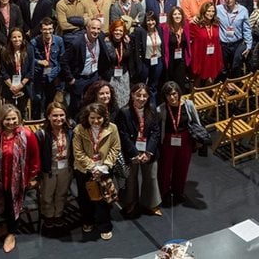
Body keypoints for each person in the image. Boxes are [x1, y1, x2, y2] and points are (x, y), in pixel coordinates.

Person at [0, 104, 40, 253]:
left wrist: (33, 175)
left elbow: (34, 157)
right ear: (1, 119)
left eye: (14, 119)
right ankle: (6, 224)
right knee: (0, 202)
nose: (11, 122)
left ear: (19, 118)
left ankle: (11, 232)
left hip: (17, 178)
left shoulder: (26, 134)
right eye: (7, 119)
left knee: (12, 203)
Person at [73, 102, 122, 241]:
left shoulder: (112, 128)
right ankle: (87, 221)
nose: (95, 121)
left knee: (103, 199)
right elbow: (78, 153)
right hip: (84, 170)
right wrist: (92, 167)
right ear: (87, 117)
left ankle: (104, 225)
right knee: (85, 198)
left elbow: (115, 148)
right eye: (92, 118)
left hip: (104, 169)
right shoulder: (79, 129)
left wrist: (105, 166)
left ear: (104, 117)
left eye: (99, 118)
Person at [115, 83, 162, 217]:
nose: (141, 98)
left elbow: (155, 132)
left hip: (148, 150)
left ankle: (150, 204)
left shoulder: (152, 109)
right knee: (131, 179)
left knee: (151, 177)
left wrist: (148, 152)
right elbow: (122, 134)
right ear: (132, 95)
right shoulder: (124, 112)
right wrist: (135, 153)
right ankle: (131, 203)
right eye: (138, 95)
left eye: (145, 96)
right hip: (132, 151)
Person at [158, 81, 204, 205]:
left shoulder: (188, 105)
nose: (172, 97)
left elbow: (196, 122)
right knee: (165, 169)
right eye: (169, 95)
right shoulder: (161, 109)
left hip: (185, 140)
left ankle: (178, 191)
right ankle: (164, 193)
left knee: (182, 167)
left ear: (178, 93)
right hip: (168, 141)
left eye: (174, 94)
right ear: (165, 96)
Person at [36, 101, 73, 228]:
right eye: (55, 116)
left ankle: (58, 214)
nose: (59, 118)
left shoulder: (70, 130)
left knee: (61, 193)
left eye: (61, 115)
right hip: (49, 170)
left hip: (65, 169)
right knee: (47, 195)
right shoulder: (42, 134)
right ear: (48, 116)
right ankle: (49, 215)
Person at [188, 2, 223, 87]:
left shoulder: (216, 24)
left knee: (211, 78)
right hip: (200, 56)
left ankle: (208, 97)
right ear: (203, 11)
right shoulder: (196, 25)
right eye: (208, 11)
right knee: (198, 79)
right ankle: (195, 97)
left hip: (212, 55)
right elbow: (186, 32)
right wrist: (190, 21)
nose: (211, 13)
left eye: (212, 11)